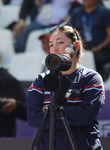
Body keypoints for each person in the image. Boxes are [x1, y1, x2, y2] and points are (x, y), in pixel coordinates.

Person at [27, 21, 105, 150]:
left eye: (60, 42)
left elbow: (85, 116)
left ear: (76, 46)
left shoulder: (91, 78)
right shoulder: (41, 80)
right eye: (51, 44)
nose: (54, 48)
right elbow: (33, 119)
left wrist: (49, 111)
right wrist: (70, 116)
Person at [13, 0, 81, 53]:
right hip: (40, 23)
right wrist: (22, 20)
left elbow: (79, 6)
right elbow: (27, 3)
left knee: (62, 35)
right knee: (22, 31)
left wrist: (70, 16)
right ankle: (21, 57)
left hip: (58, 24)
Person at [70, 0, 110, 81]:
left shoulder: (105, 12)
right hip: (80, 48)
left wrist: (100, 47)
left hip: (100, 49)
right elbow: (71, 33)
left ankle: (96, 84)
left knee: (95, 59)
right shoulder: (76, 13)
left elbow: (109, 35)